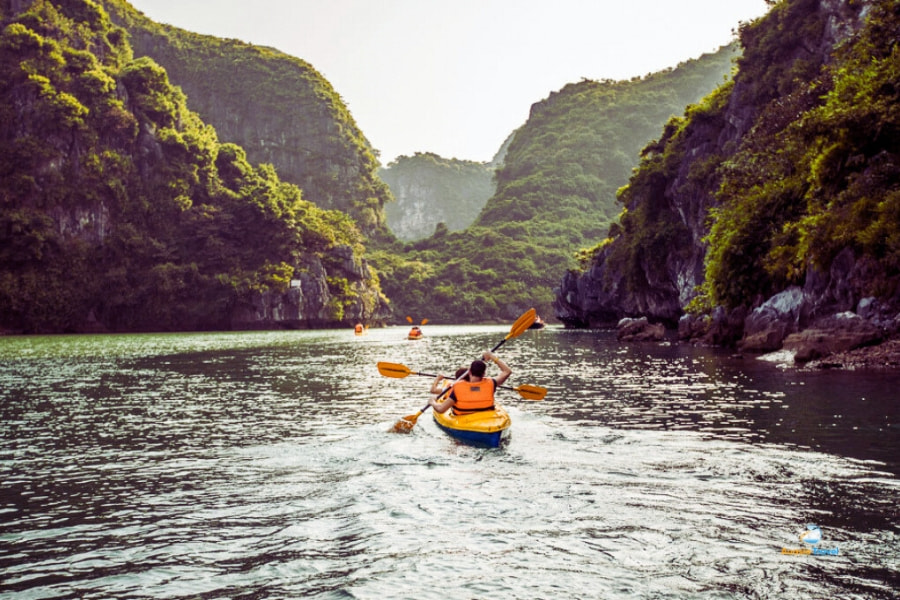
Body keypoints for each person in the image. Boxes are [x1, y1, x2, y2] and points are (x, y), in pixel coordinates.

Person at [429, 351, 511, 415]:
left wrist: (432, 402)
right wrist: (491, 356)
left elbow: (441, 409)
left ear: (469, 372)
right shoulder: (492, 383)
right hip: (486, 418)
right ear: (484, 374)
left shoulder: (457, 387)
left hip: (464, 419)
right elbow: (507, 371)